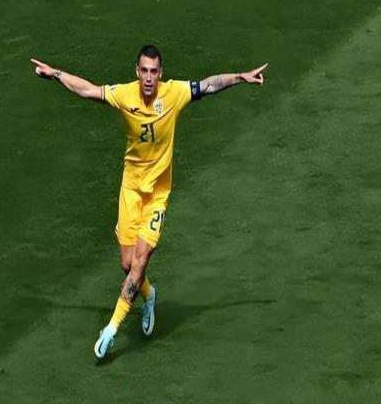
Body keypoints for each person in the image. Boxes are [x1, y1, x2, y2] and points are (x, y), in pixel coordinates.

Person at [31, 45, 267, 359]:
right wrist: (55, 74)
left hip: (157, 194)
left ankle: (111, 329)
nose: (148, 77)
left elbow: (209, 85)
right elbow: (88, 90)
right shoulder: (124, 94)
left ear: (161, 74)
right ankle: (149, 294)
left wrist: (240, 76)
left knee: (140, 262)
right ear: (137, 71)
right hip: (130, 190)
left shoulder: (174, 94)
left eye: (154, 71)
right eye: (144, 70)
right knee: (127, 265)